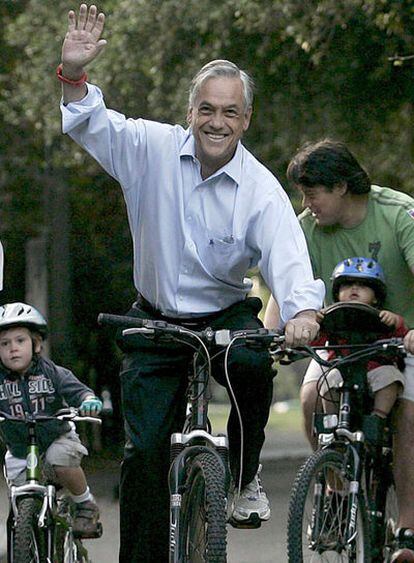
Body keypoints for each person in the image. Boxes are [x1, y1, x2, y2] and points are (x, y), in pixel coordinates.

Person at [58, 5, 324, 561]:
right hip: (154, 315)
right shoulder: (149, 149)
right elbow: (92, 123)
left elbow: (288, 257)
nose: (217, 122)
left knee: (252, 364)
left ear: (245, 120)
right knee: (144, 454)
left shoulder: (261, 189)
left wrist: (301, 312)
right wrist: (76, 76)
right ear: (190, 112)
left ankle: (244, 476)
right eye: (207, 109)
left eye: (230, 112)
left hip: (224, 315)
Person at [264, 139, 414, 561]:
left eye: (312, 192)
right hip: (340, 345)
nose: (306, 202)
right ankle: (334, 492)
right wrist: (268, 338)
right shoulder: (307, 227)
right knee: (312, 397)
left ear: (342, 187)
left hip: (400, 342)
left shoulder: (398, 213)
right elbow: (285, 286)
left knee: (407, 410)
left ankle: (408, 526)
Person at [0, 302, 102, 538]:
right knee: (18, 499)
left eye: (20, 341)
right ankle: (26, 541)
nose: (12, 349)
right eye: (4, 344)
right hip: (19, 450)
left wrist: (88, 401)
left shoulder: (51, 372)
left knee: (59, 458)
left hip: (57, 437)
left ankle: (85, 503)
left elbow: (77, 390)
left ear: (36, 344)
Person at [316, 257, 408, 439]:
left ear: (376, 297)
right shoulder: (332, 317)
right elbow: (316, 342)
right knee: (327, 380)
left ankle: (377, 420)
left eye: (363, 286)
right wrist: (317, 324)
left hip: (375, 368)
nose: (354, 289)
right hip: (343, 368)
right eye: (347, 284)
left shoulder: (383, 317)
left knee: (391, 378)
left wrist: (395, 322)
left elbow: (402, 336)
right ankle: (332, 423)